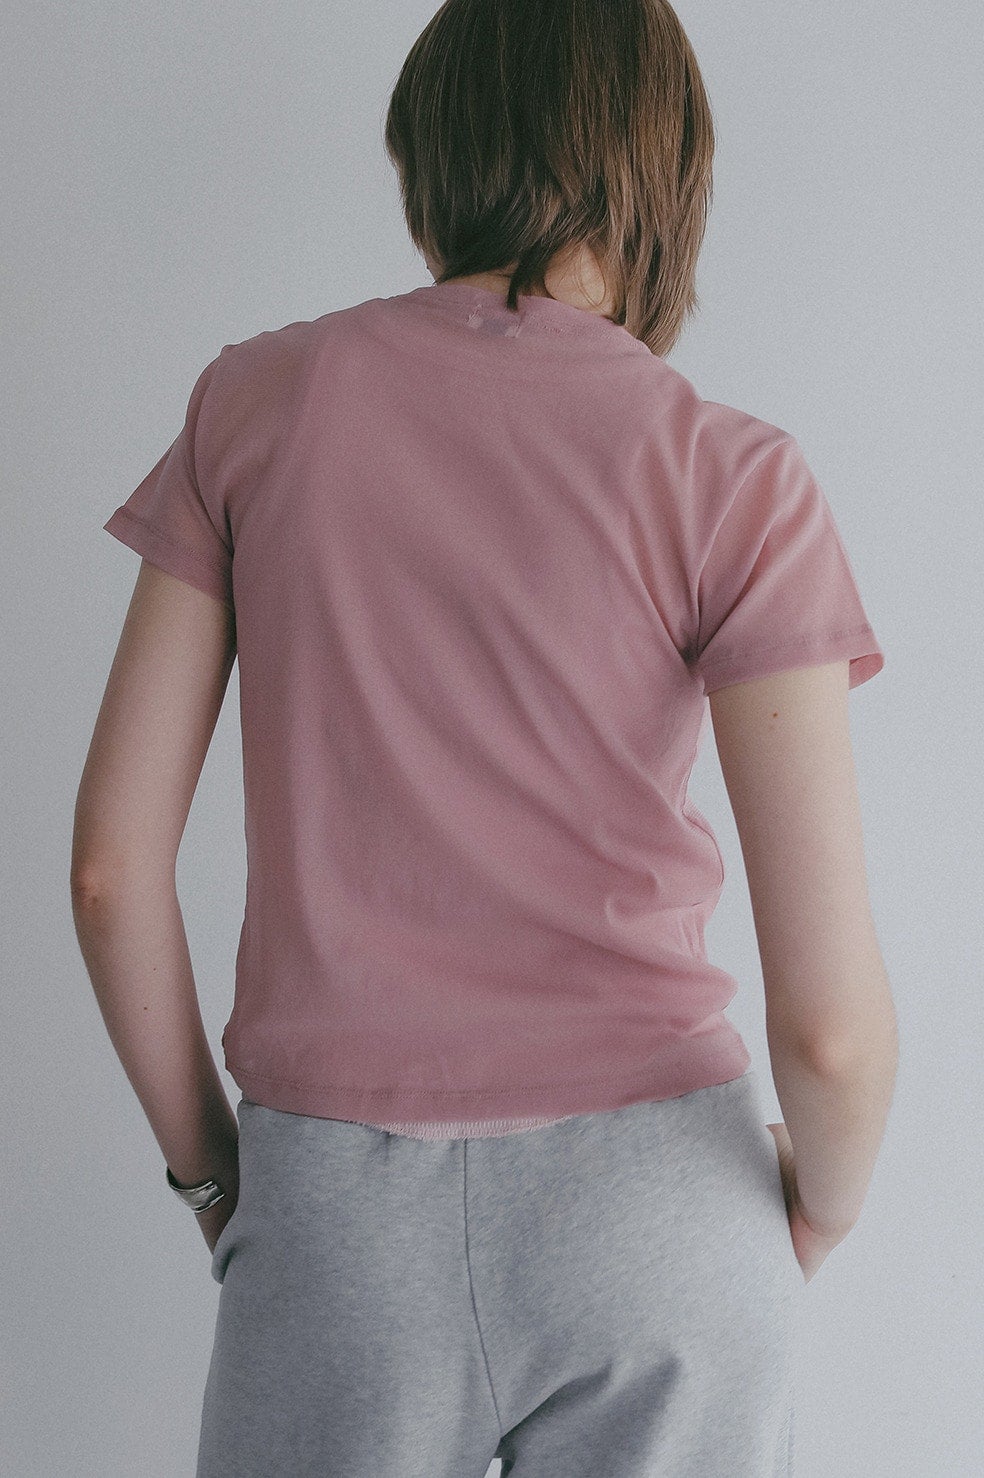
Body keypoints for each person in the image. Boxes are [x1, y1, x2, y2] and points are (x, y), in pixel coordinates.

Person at [70, 1, 898, 1473]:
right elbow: (831, 1031)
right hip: (663, 1217)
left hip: (338, 1222)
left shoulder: (256, 405)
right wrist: (815, 1210)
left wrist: (218, 1180)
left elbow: (110, 873)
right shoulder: (733, 476)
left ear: (429, 149)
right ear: (664, 171)